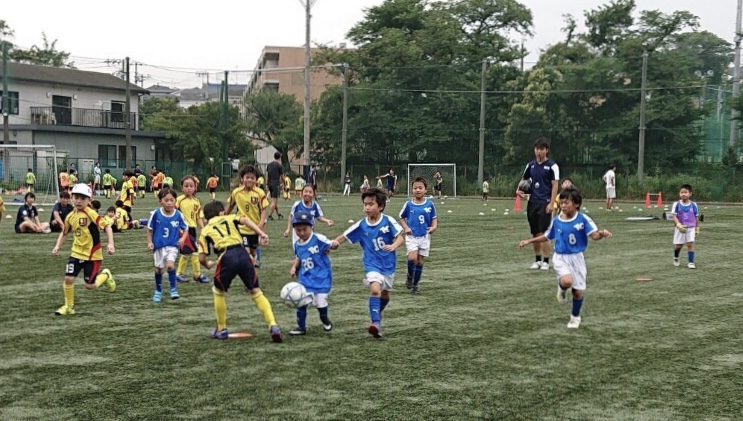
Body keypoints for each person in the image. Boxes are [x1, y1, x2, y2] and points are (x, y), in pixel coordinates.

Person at [519, 188, 612, 329]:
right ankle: (562, 288)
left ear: (576, 204)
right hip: (561, 257)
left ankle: (575, 318)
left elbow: (594, 235)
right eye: (561, 203)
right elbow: (547, 236)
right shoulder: (557, 221)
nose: (563, 205)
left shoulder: (583, 219)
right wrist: (529, 241)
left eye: (566, 203)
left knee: (578, 292)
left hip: (577, 259)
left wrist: (602, 234)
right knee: (567, 281)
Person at [197, 200, 282, 342]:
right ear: (222, 213)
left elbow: (201, 258)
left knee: (218, 292)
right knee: (256, 291)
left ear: (206, 218)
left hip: (226, 256)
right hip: (243, 253)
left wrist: (207, 264)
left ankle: (222, 329)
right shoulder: (230, 217)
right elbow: (245, 220)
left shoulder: (205, 230)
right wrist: (261, 233)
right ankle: (273, 325)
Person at [331, 188, 404, 338]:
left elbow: (400, 237)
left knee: (385, 296)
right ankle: (375, 323)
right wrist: (334, 243)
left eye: (371, 204)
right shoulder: (361, 225)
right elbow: (344, 236)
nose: (367, 207)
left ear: (381, 206)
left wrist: (394, 245)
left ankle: (378, 313)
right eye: (365, 204)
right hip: (372, 264)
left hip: (388, 265)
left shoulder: (388, 220)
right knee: (375, 290)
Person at [51, 183, 116, 316]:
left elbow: (107, 226)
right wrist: (57, 246)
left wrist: (111, 243)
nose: (79, 201)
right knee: (68, 279)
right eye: (76, 197)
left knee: (89, 286)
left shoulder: (91, 213)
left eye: (83, 198)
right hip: (76, 253)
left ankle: (106, 275)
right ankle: (68, 307)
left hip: (92, 255)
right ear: (72, 198)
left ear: (89, 200)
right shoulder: (70, 216)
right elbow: (64, 233)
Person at [288, 211, 335, 335]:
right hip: (306, 279)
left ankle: (325, 320)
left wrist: (333, 245)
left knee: (321, 305)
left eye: (305, 229)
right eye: (298, 230)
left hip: (322, 278)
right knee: (301, 303)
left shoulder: (318, 239)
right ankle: (301, 327)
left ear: (311, 226)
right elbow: (299, 258)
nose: (302, 233)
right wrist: (294, 267)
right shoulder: (297, 244)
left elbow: (330, 245)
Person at [517, 136, 559, 271]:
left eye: (541, 149)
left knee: (544, 233)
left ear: (546, 150)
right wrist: (518, 190)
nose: (539, 152)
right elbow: (523, 180)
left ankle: (546, 261)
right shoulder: (530, 165)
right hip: (532, 203)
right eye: (537, 149)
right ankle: (537, 260)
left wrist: (551, 203)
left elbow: (555, 186)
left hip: (545, 203)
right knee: (535, 233)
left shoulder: (552, 166)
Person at [147, 188, 189, 302]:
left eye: (172, 200)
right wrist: (150, 242)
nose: (169, 203)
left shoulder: (178, 215)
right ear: (160, 201)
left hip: (172, 245)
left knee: (170, 266)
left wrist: (183, 239)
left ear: (175, 201)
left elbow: (186, 228)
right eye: (166, 200)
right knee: (159, 270)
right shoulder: (156, 214)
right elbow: (150, 229)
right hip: (159, 246)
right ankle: (158, 290)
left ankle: (173, 289)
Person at [398, 177, 437, 294]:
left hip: (424, 237)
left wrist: (433, 228)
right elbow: (401, 217)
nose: (418, 190)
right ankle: (410, 276)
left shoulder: (430, 204)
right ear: (412, 190)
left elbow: (434, 220)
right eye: (415, 188)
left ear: (425, 190)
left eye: (420, 188)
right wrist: (406, 227)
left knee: (419, 262)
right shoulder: (409, 204)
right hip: (412, 236)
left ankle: (415, 285)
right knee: (412, 258)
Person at [226, 165, 269, 268]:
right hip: (241, 227)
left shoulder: (259, 193)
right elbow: (230, 205)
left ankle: (252, 266)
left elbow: (264, 209)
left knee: (253, 252)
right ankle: (247, 271)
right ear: (242, 179)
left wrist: (261, 223)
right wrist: (223, 216)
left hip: (254, 228)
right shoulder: (236, 192)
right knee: (246, 252)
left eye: (252, 178)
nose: (249, 180)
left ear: (256, 180)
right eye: (247, 177)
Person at [176, 176, 210, 284]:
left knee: (187, 253)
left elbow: (198, 217)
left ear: (195, 187)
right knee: (195, 251)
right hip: (183, 230)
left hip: (192, 229)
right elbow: (172, 213)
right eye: (186, 186)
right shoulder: (179, 200)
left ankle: (180, 274)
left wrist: (203, 229)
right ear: (182, 188)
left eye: (191, 186)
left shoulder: (196, 201)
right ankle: (196, 274)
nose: (189, 188)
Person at [671, 184, 700, 269]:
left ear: (690, 194)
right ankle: (676, 256)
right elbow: (674, 216)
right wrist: (678, 225)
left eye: (685, 192)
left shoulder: (694, 205)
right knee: (678, 246)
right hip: (680, 228)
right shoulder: (676, 204)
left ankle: (691, 262)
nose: (683, 194)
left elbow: (696, 217)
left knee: (690, 244)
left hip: (691, 227)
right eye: (681, 192)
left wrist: (697, 228)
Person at [266, 151, 285, 220]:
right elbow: (282, 176)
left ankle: (279, 214)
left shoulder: (269, 165)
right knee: (274, 201)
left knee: (275, 200)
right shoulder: (279, 166)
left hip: (270, 184)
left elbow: (267, 175)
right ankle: (269, 215)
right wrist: (285, 184)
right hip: (275, 184)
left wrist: (267, 184)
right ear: (279, 157)